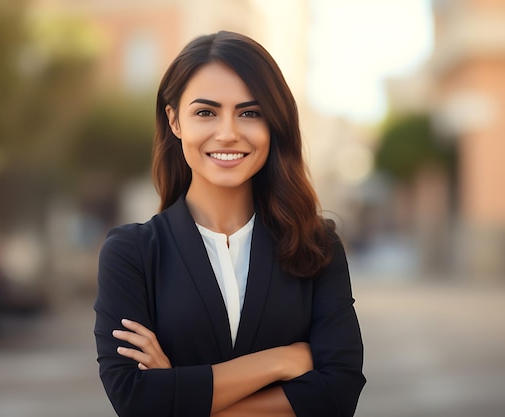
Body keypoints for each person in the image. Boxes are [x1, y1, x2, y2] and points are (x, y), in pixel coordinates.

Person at [94, 30, 365, 417]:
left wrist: (180, 396)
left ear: (274, 123)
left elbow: (337, 394)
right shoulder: (132, 252)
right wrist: (281, 361)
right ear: (174, 121)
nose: (228, 133)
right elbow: (134, 400)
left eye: (250, 113)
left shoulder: (316, 245)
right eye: (206, 112)